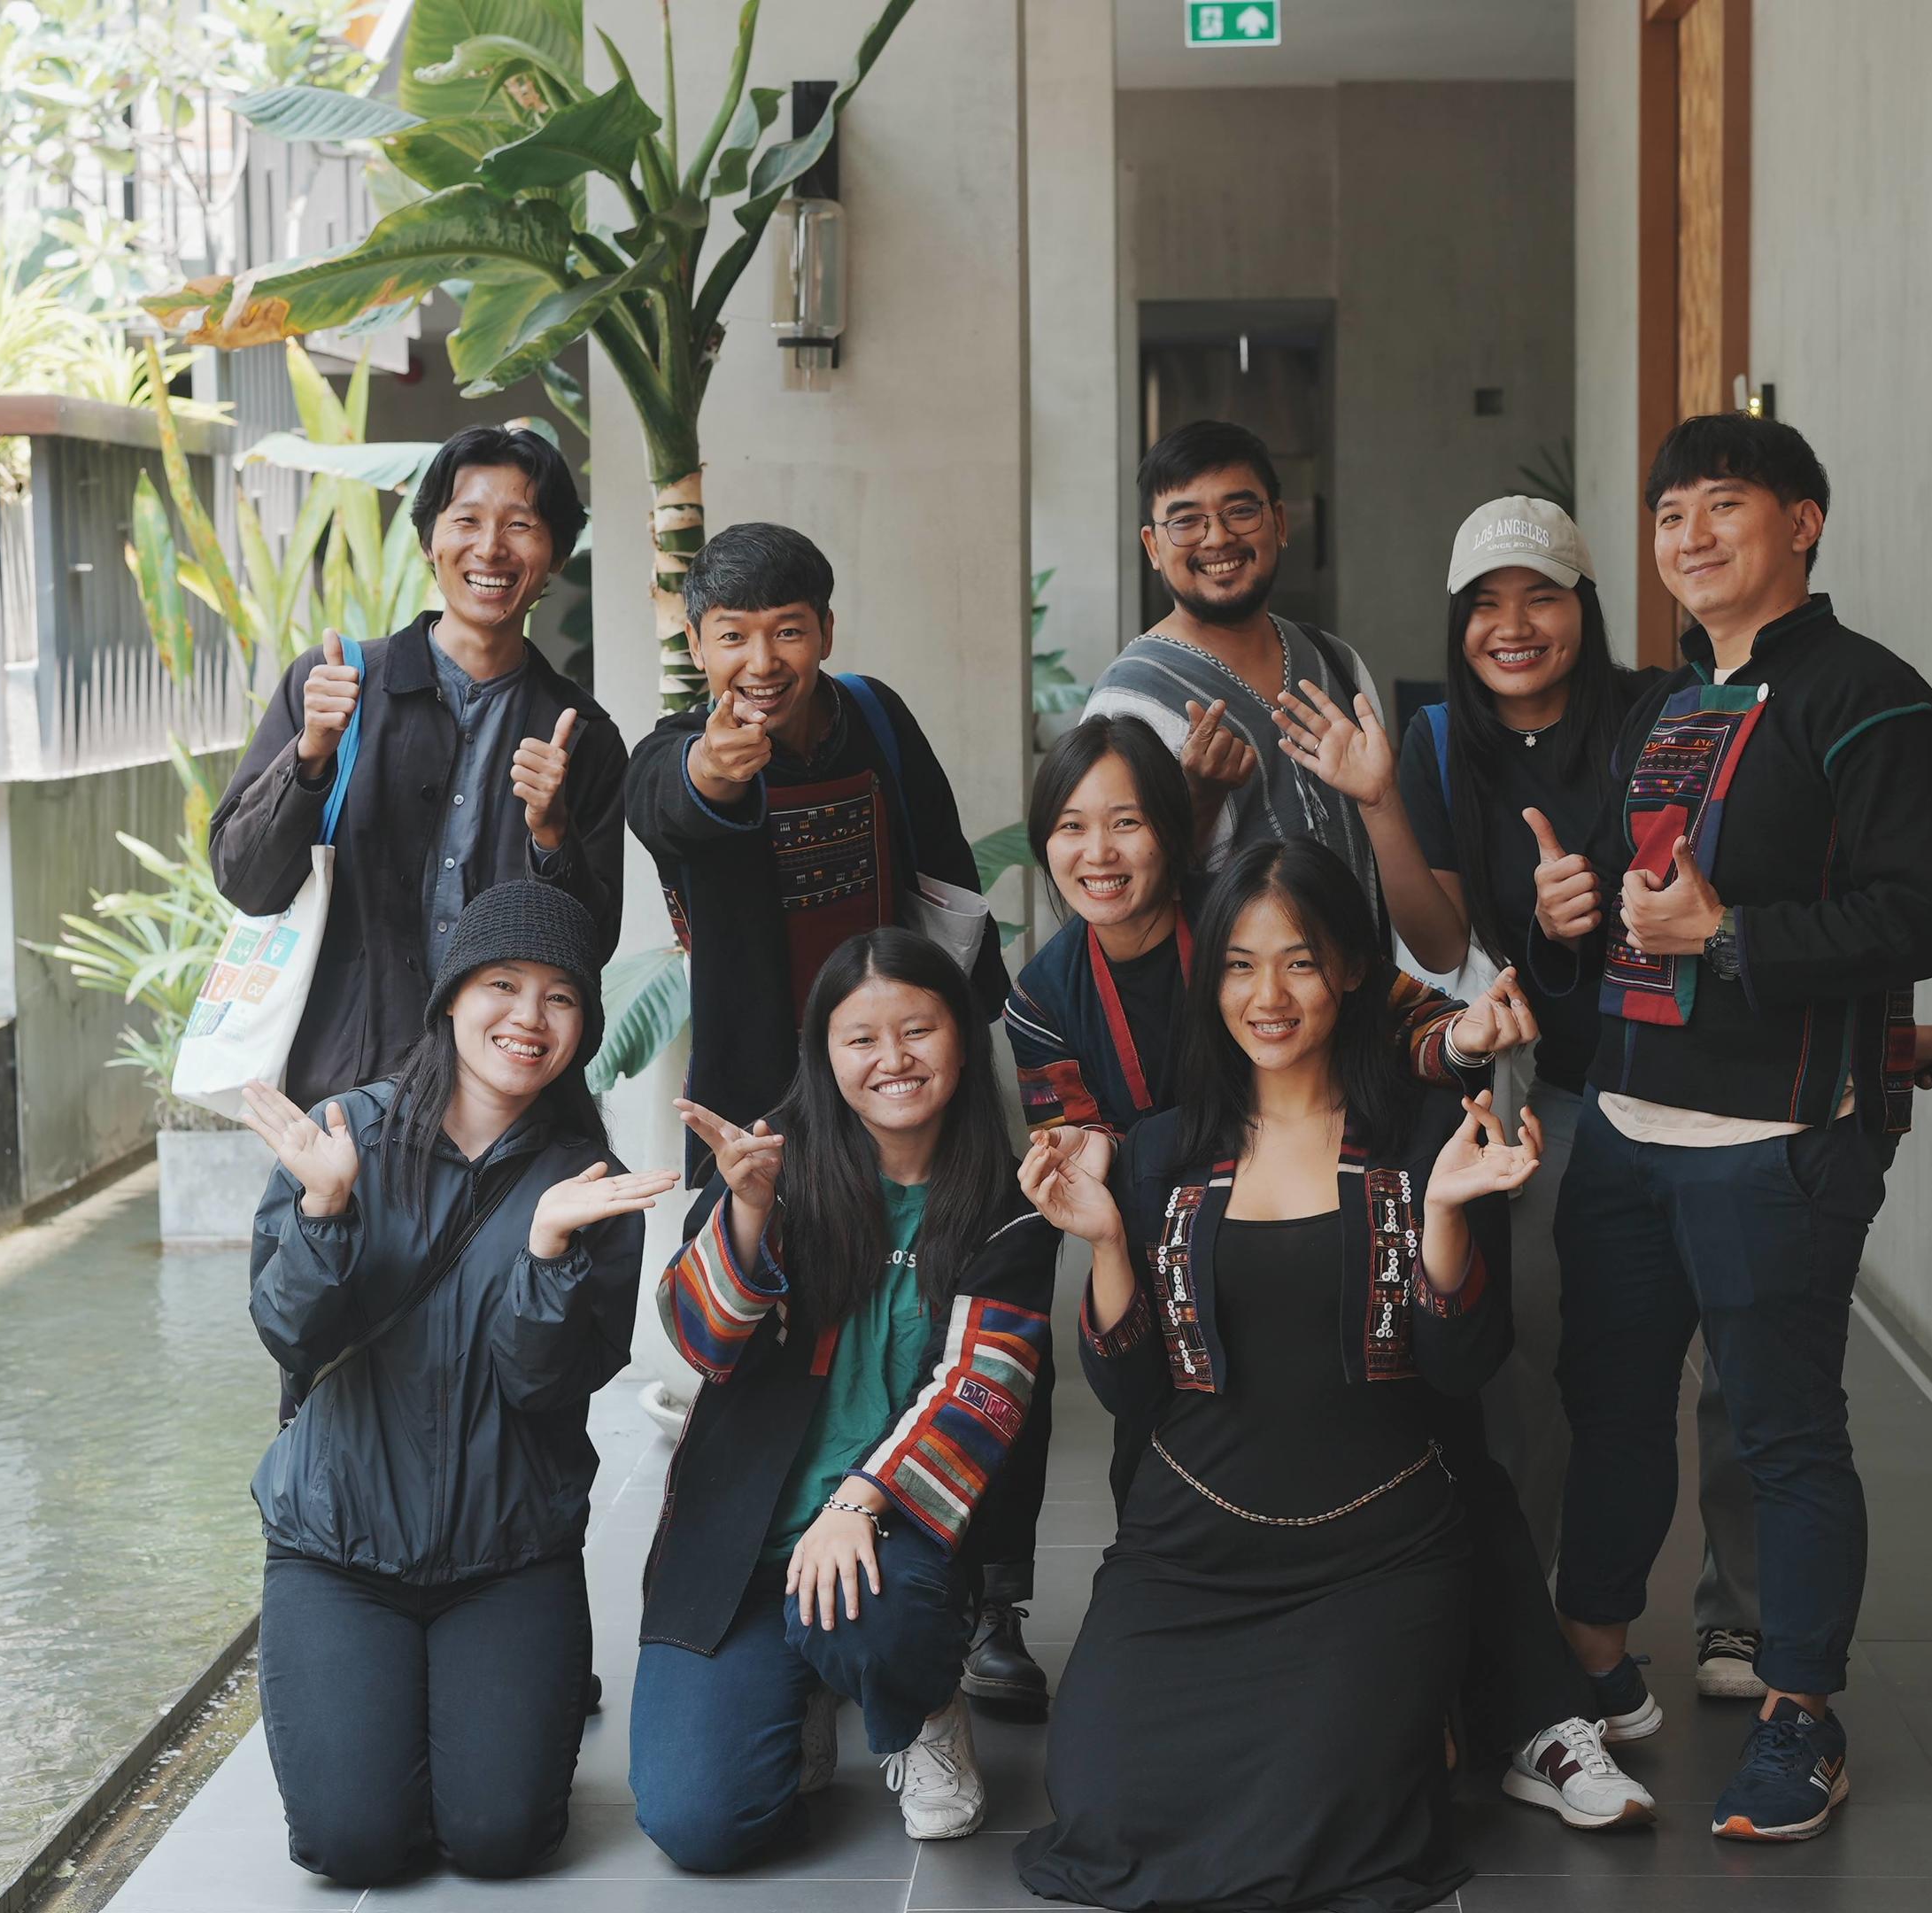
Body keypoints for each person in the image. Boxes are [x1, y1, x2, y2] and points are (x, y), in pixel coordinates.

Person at [1275, 492, 1776, 1713]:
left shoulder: (1662, 710)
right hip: (1551, 1084)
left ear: (1583, 605)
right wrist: (1381, 799)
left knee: (1736, 1361)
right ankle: (1544, 1614)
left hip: (1703, 1080)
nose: (1514, 624)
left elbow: (1719, 872)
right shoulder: (1440, 742)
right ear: (1456, 623)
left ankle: (1740, 1615)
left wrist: (1604, 902)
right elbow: (1437, 933)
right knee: (1554, 1355)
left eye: (1540, 595)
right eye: (1486, 604)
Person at [967, 717, 1554, 1745]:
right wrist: (1101, 1177)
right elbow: (1077, 1126)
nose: (1097, 854)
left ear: (1178, 832)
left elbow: (1391, 1015)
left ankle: (1522, 1702)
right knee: (1151, 1447)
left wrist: (1459, 1038)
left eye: (1126, 823)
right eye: (1068, 827)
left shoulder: (1251, 912)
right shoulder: (1045, 994)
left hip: (1331, 1197)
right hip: (1177, 1228)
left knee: (1444, 1430)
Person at [1550, 413, 1932, 1842]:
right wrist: (1578, 906)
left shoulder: (1872, 703)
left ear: (1801, 523)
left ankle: (1802, 1717)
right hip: (1618, 1124)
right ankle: (1595, 1672)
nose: (1688, 538)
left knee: (1785, 1436)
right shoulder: (1664, 707)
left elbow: (1920, 918)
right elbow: (1636, 887)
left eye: (1720, 507)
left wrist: (1728, 934)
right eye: (1669, 518)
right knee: (1604, 1413)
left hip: (1772, 1136)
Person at [1015, 840, 1543, 1911]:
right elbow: (1128, 1393)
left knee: (1324, 1829)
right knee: (1105, 1809)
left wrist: (1444, 1217)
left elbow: (1463, 1364)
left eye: (1299, 962)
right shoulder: (1163, 1150)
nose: (1268, 995)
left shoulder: (1427, 1131)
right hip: (1189, 1548)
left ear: (1350, 969)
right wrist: (1105, 1245)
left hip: (1377, 1549)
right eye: (1239, 965)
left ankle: (1419, 1717)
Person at [240, 880, 677, 1886]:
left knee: (500, 1839)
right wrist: (324, 1209)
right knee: (350, 1847)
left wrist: (548, 1250)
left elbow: (543, 1386)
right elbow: (289, 1337)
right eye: (502, 984)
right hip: (337, 1551)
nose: (528, 1017)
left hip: (507, 1553)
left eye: (560, 998)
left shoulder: (587, 1184)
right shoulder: (341, 1136)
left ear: (582, 1029)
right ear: (449, 1001)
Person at [629, 929, 1056, 1870]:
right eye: (860, 1038)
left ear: (960, 1038)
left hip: (894, 1538)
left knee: (869, 1611)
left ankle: (917, 1708)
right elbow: (702, 1343)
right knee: (701, 1824)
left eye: (918, 1030)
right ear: (824, 1053)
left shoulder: (1008, 1198)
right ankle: (810, 1682)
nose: (892, 1060)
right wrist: (742, 1214)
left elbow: (983, 1389)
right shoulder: (769, 1167)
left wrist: (857, 1500)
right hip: (744, 1544)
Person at [210, 425, 626, 1108]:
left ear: (554, 557)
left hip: (507, 1107)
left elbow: (589, 949)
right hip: (346, 1095)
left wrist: (552, 834)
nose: (490, 548)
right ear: (429, 541)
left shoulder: (583, 736)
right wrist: (310, 753)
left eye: (521, 525)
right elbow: (244, 881)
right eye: (466, 520)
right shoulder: (335, 684)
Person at [626, 523, 1009, 1182]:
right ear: (695, 645)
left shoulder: (876, 714)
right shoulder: (675, 750)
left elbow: (947, 868)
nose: (762, 662)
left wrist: (969, 1030)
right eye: (732, 636)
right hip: (766, 1095)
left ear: (826, 632)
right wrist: (715, 769)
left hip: (902, 1069)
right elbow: (662, 801)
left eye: (788, 631)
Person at [1084, 420, 1387, 913]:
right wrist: (1198, 799)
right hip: (1223, 989)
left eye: (1241, 511)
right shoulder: (1127, 703)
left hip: (1363, 981)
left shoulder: (1337, 663)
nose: (1218, 538)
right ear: (1153, 547)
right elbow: (1118, 901)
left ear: (1280, 522)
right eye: (1186, 521)